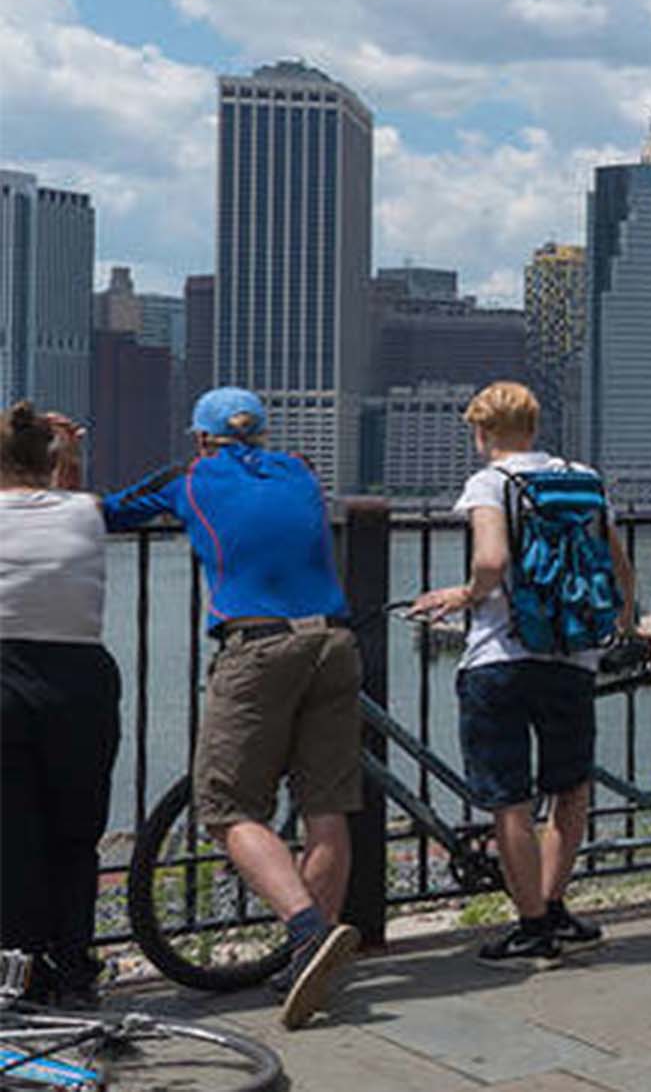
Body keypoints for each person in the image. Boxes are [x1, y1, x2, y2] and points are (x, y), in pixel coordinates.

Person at [100, 389, 361, 1028]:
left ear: (200, 438)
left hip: (261, 647)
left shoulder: (189, 480)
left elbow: (105, 515)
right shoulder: (300, 468)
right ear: (263, 434)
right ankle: (314, 959)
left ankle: (304, 930)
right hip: (333, 640)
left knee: (226, 807)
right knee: (326, 805)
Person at [408, 382, 638, 964]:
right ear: (535, 427)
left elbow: (491, 560)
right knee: (571, 787)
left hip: (500, 658)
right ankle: (558, 906)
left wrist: (465, 595)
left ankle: (531, 923)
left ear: (482, 433)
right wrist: (622, 625)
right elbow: (619, 566)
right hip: (572, 655)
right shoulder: (583, 478)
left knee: (510, 799)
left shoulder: (491, 483)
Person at [0, 404, 119, 1008]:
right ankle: (72, 970)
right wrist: (68, 448)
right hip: (79, 681)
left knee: (9, 835)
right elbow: (70, 489)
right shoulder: (85, 513)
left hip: (3, 680)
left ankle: (15, 978)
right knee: (75, 836)